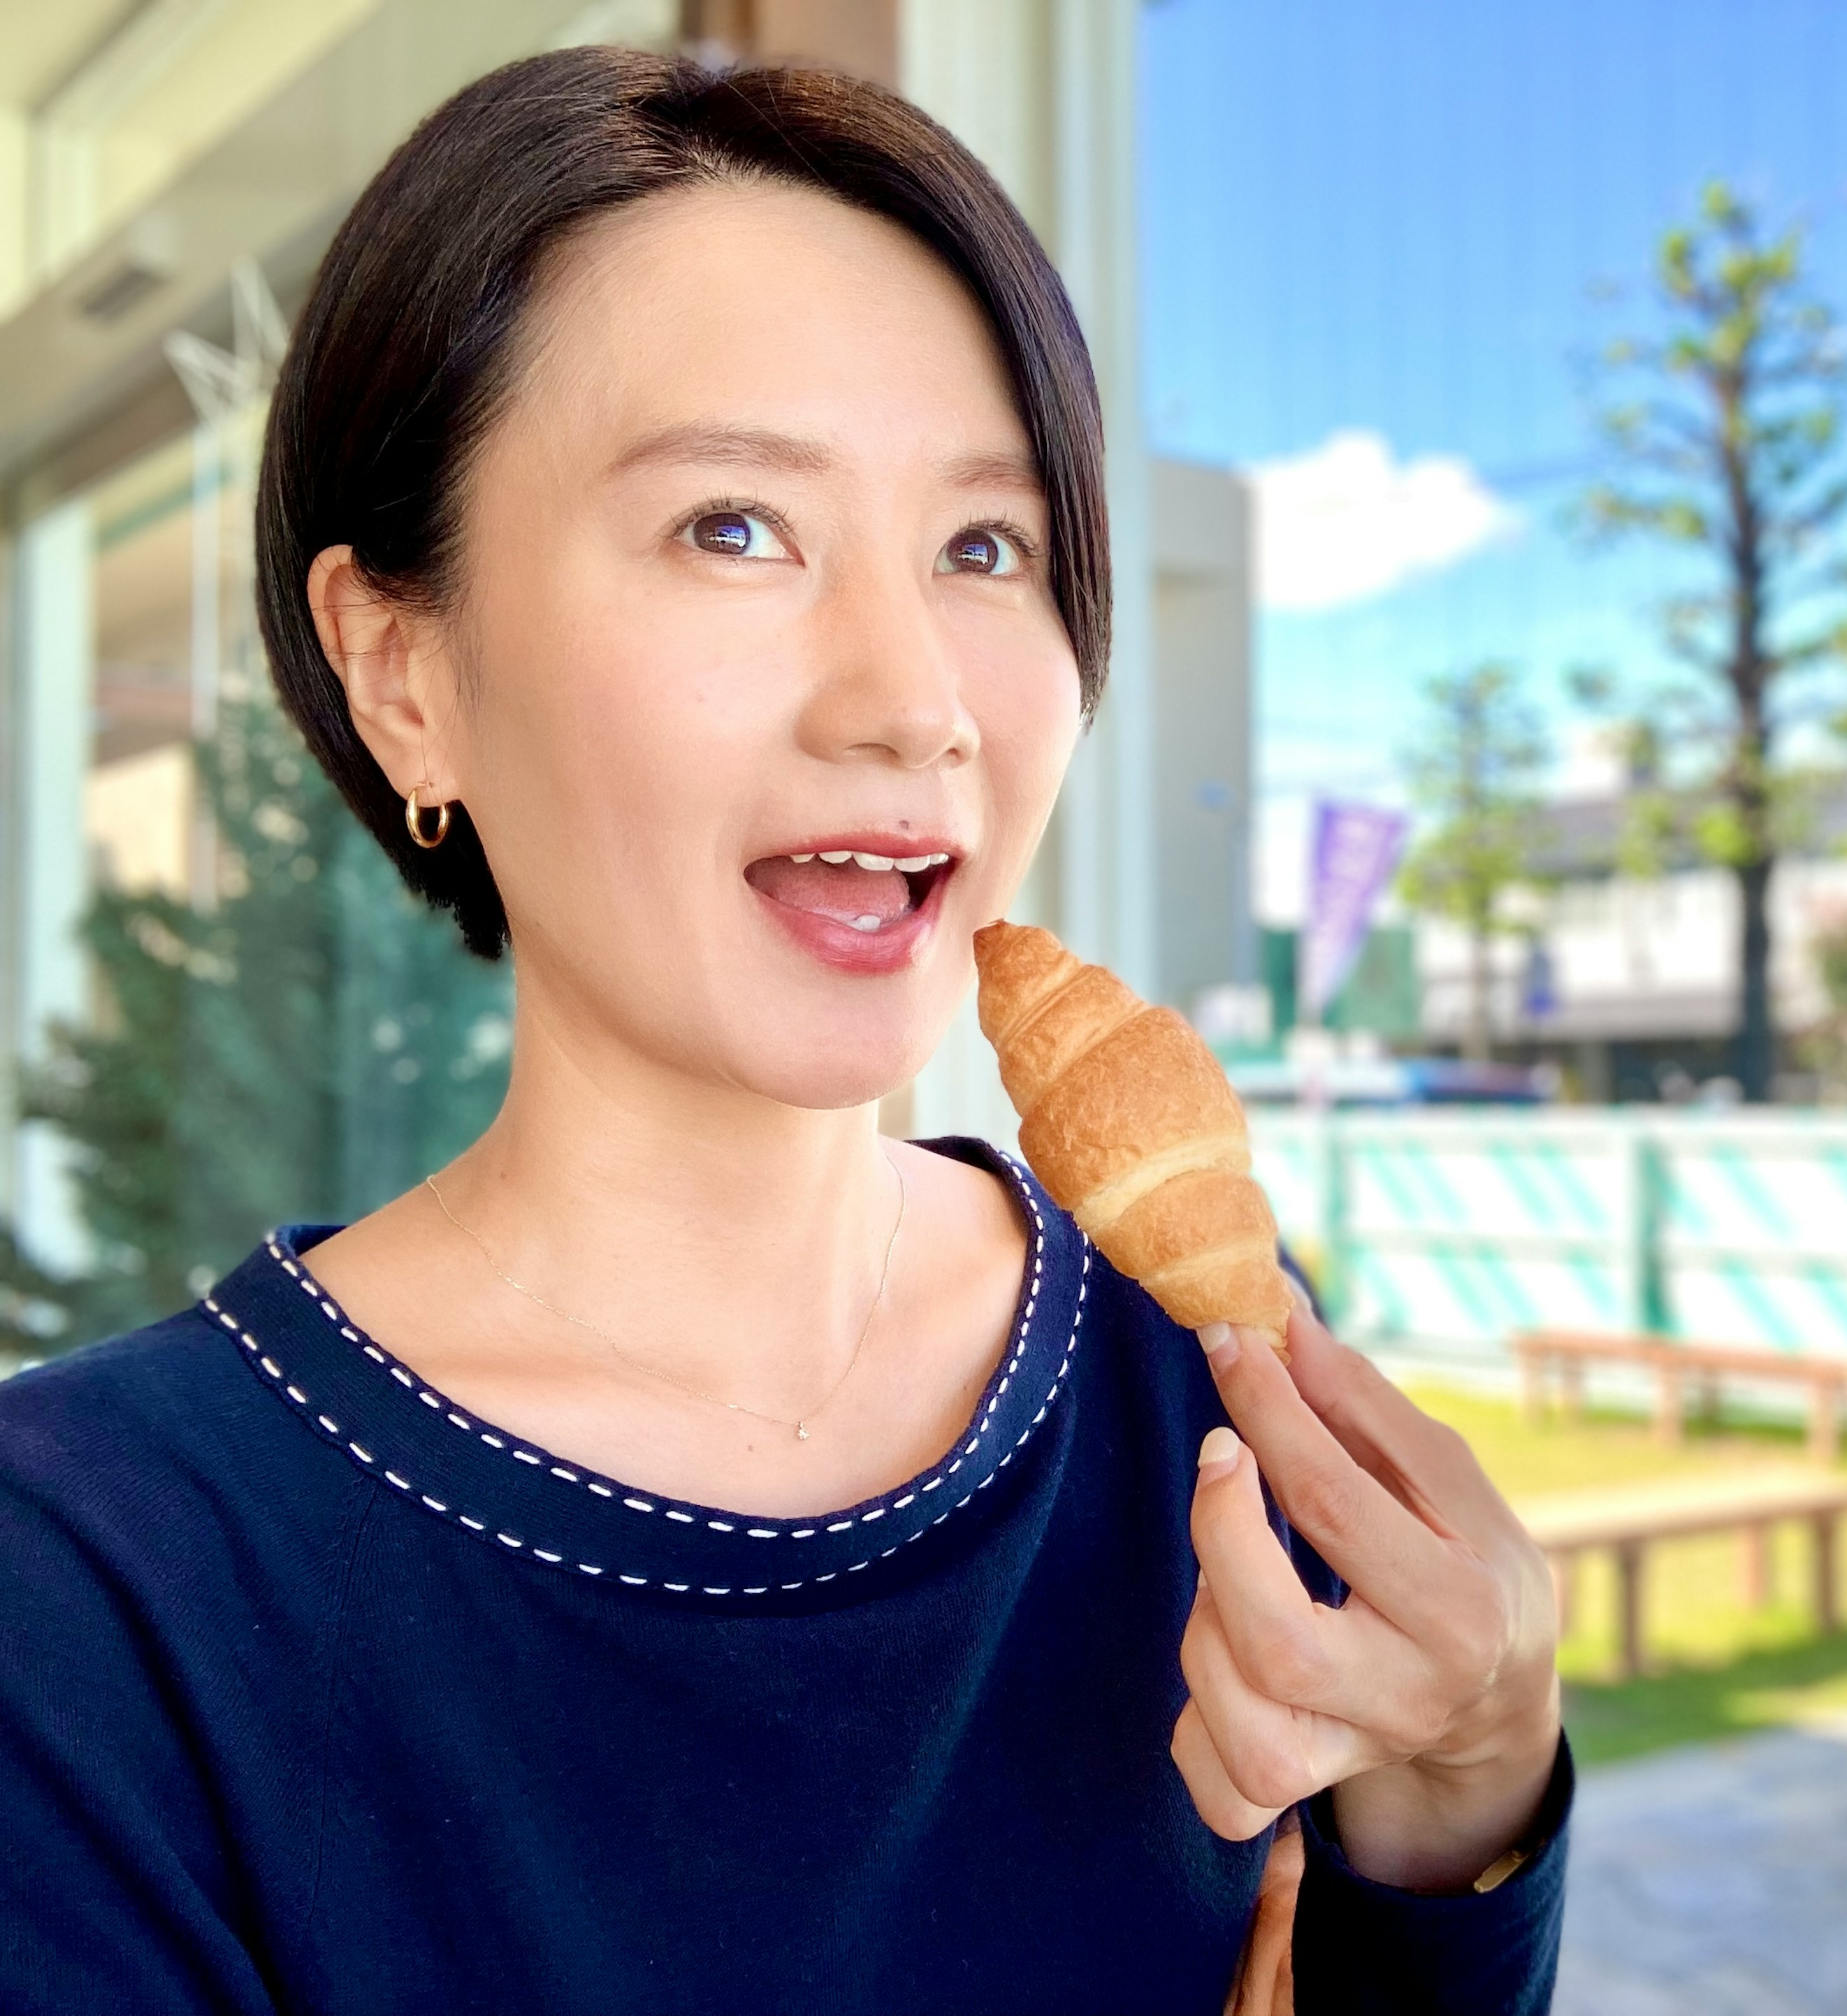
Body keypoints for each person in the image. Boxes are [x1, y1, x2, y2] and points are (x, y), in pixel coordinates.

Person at [0, 49, 1565, 2015]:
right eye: (734, 526)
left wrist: (1470, 1788)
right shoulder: (85, 1591)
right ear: (404, 672)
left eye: (987, 548)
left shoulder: (1200, 1389)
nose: (915, 702)